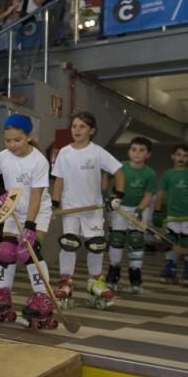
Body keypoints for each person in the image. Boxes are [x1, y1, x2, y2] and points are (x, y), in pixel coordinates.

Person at [0, 114, 55, 330]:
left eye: (17, 140)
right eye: (8, 140)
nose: (12, 145)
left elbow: (36, 196)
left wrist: (31, 226)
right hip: (13, 209)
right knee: (6, 250)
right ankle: (3, 295)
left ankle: (42, 298)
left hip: (37, 212)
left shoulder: (39, 161)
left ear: (29, 137)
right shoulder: (3, 156)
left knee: (28, 250)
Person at [51, 112, 125, 308]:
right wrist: (55, 203)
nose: (77, 129)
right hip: (70, 209)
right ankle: (66, 281)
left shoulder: (97, 152)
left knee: (96, 245)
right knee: (69, 244)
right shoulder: (65, 152)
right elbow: (59, 179)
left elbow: (118, 171)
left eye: (82, 126)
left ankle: (95, 282)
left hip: (93, 209)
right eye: (74, 126)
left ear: (91, 131)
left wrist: (118, 195)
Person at [104, 137, 157, 294]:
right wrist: (105, 194)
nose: (137, 153)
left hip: (139, 209)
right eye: (134, 149)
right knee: (116, 240)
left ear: (148, 154)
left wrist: (140, 209)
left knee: (136, 241)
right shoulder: (120, 166)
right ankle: (112, 278)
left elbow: (148, 195)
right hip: (120, 208)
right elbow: (105, 175)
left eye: (141, 150)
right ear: (129, 151)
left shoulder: (150, 173)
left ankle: (136, 281)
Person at [154, 144, 188, 287]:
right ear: (173, 156)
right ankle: (170, 270)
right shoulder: (167, 174)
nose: (181, 158)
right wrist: (157, 211)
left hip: (187, 217)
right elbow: (161, 193)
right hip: (172, 217)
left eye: (185, 156)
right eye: (179, 154)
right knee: (170, 244)